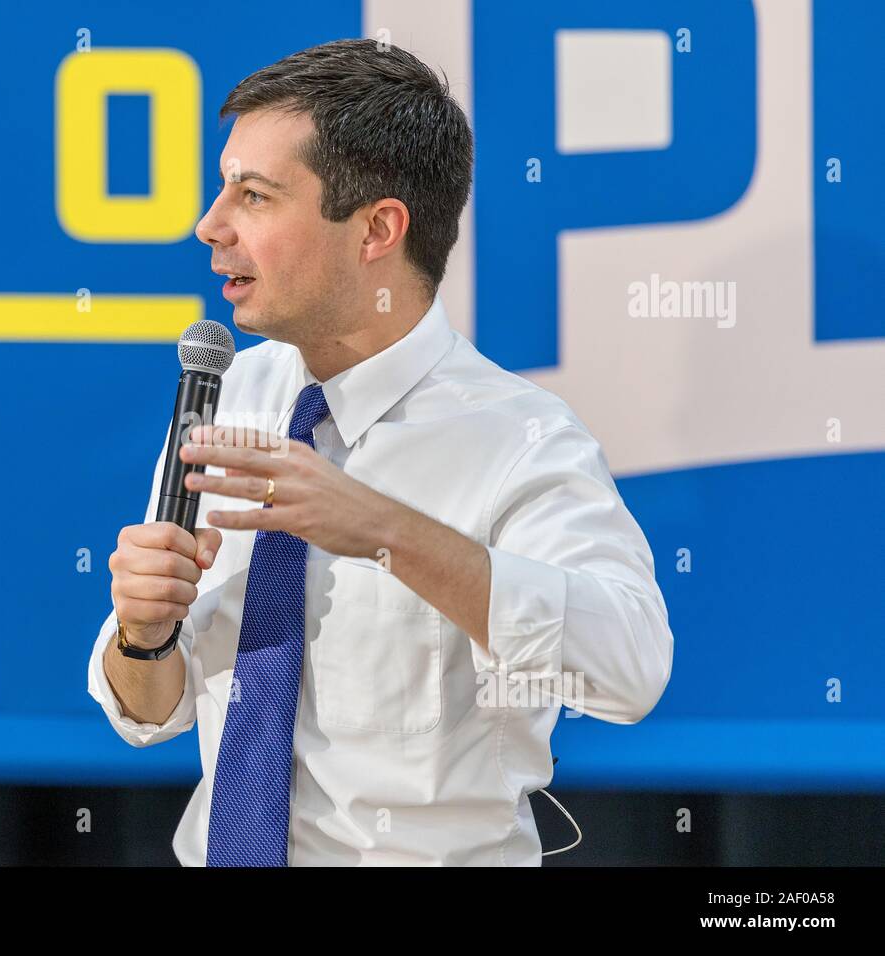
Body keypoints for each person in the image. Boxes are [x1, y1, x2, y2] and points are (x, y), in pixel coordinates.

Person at [87, 38, 673, 866]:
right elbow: (155, 713)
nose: (209, 224)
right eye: (224, 186)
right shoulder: (233, 394)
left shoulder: (518, 436)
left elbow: (630, 669)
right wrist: (143, 637)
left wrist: (386, 531)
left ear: (377, 230)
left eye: (253, 196)